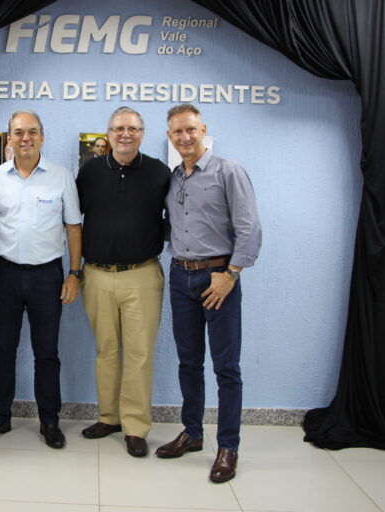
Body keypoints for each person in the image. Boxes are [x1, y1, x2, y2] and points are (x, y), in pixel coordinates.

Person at [157, 104, 261, 483]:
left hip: (218, 279)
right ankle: (192, 433)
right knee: (188, 362)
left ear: (203, 130)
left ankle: (228, 446)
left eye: (191, 130)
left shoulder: (228, 171)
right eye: (177, 132)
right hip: (181, 277)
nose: (185, 137)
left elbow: (249, 228)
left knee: (226, 367)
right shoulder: (173, 179)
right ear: (169, 136)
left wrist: (230, 275)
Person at [0, 110, 83, 449]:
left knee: (47, 353)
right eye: (19, 132)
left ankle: (49, 421)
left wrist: (74, 273)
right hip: (5, 275)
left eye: (32, 132)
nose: (26, 138)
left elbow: (74, 227)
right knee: (2, 350)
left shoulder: (62, 177)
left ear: (42, 137)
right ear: (9, 138)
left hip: (47, 277)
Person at [76, 106, 171, 457]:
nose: (125, 134)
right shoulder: (89, 172)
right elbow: (72, 220)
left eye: (132, 129)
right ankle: (109, 417)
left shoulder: (160, 173)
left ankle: (135, 426)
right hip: (97, 275)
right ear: (108, 133)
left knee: (139, 354)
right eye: (118, 128)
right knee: (106, 351)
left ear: (142, 134)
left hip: (142, 275)